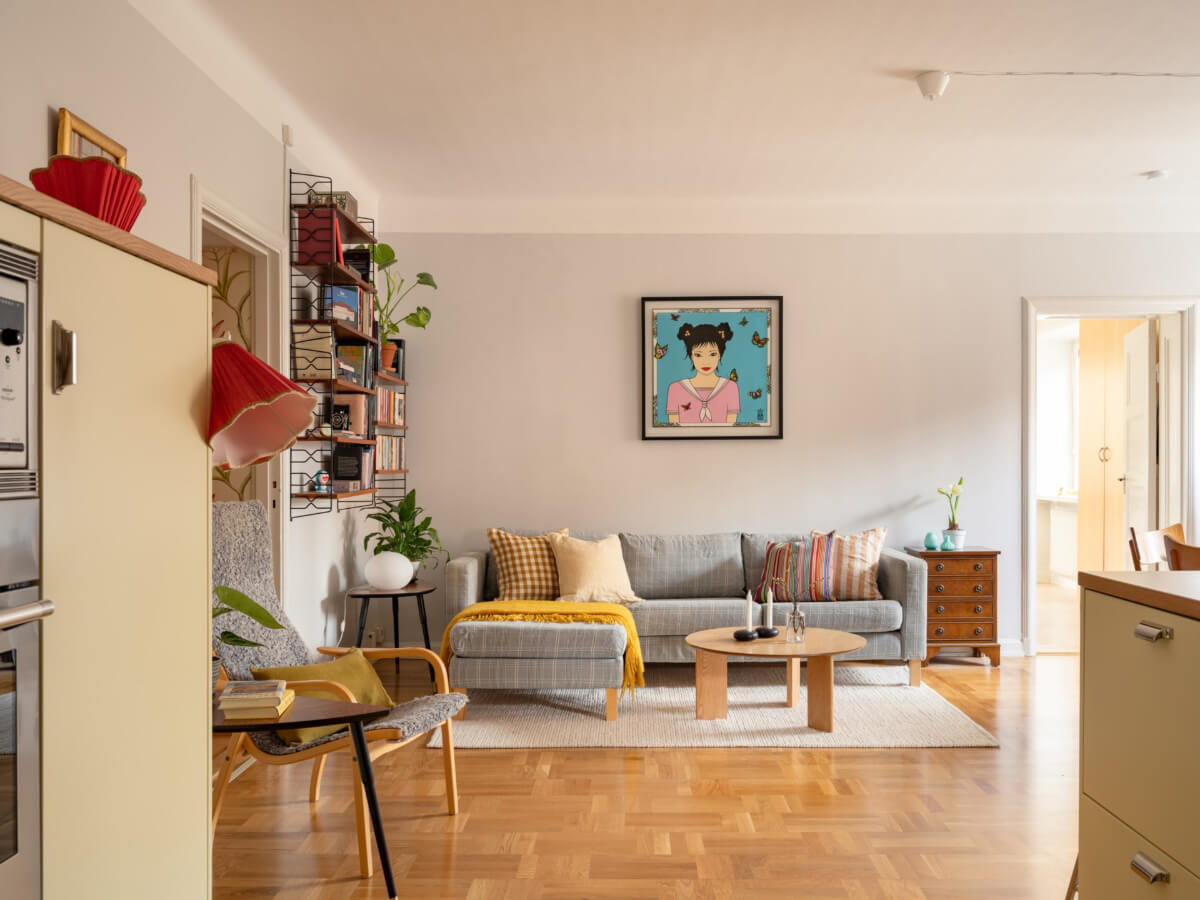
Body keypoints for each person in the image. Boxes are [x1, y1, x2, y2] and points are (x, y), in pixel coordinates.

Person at [665, 322, 740, 424]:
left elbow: (731, 429)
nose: (706, 361)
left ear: (719, 355)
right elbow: (672, 430)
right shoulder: (676, 389)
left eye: (712, 354)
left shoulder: (730, 388)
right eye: (698, 355)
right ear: (691, 356)